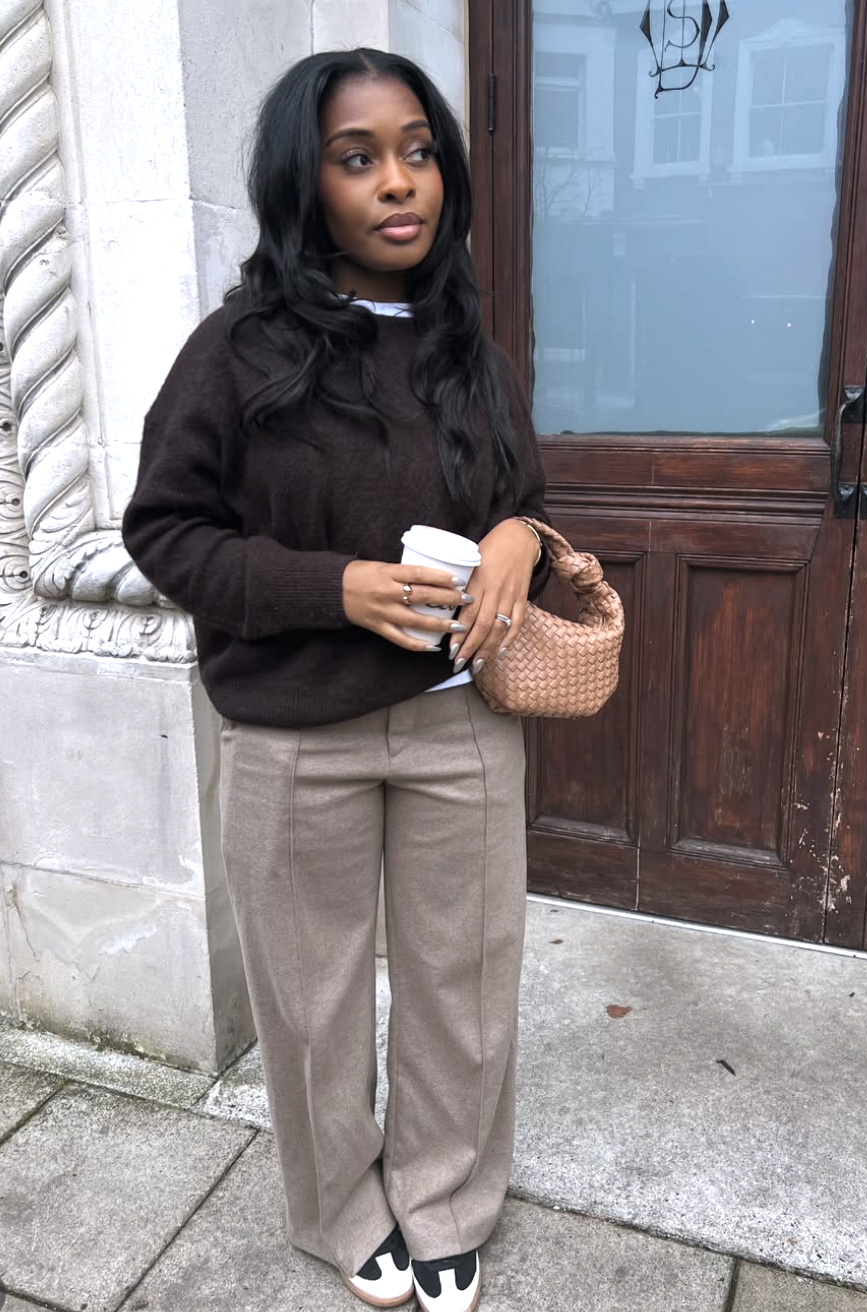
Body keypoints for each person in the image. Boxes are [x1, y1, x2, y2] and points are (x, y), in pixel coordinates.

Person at [121, 47, 550, 1312]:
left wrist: (520, 537)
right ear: (303, 184)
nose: (397, 182)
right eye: (357, 159)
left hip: (462, 724)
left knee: (464, 987)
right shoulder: (235, 351)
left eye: (416, 152)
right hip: (292, 734)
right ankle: (339, 1209)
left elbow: (522, 496)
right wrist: (337, 588)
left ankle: (447, 1199)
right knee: (309, 1005)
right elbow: (165, 532)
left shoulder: (469, 351)